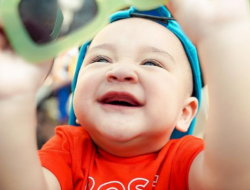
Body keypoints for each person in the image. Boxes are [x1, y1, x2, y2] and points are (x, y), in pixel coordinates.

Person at [0, 0, 250, 190]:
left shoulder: (182, 160)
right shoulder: (69, 150)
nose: (120, 71)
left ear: (184, 113)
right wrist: (11, 100)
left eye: (152, 63)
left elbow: (231, 177)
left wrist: (223, 33)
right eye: (100, 59)